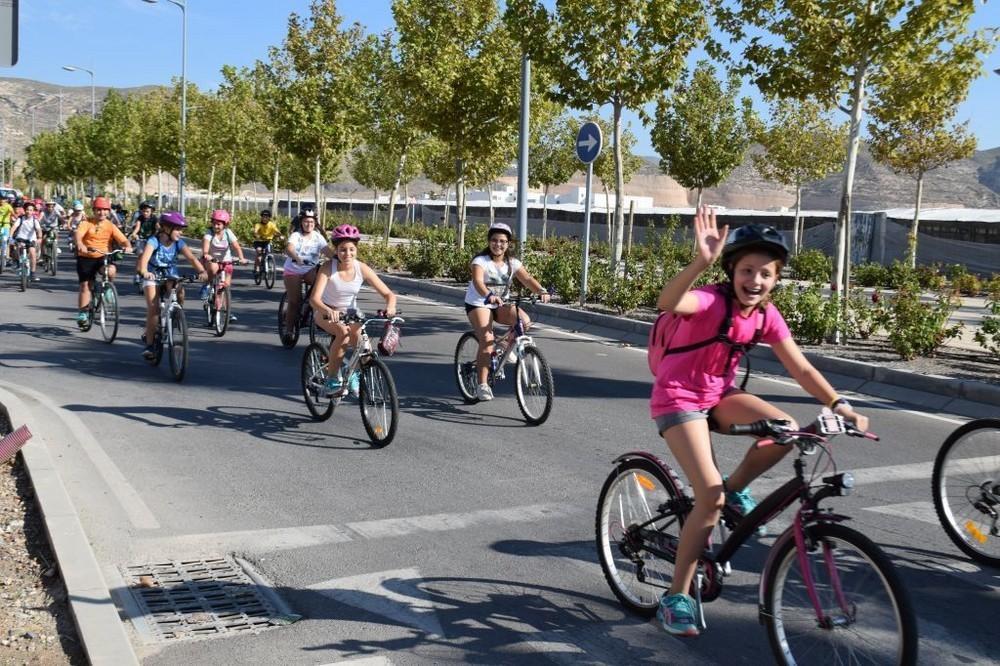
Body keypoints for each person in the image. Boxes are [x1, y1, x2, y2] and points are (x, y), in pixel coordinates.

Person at [650, 207, 870, 637]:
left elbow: (802, 369)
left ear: (776, 278)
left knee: (787, 428)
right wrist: (700, 262)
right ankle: (675, 597)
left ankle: (734, 491)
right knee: (707, 496)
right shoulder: (712, 301)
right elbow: (669, 302)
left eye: (766, 273)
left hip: (717, 394)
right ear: (732, 270)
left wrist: (839, 404)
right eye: (747, 270)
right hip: (678, 397)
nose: (756, 280)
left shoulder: (766, 314)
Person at [463, 222, 550, 401]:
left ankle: (502, 348)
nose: (498, 244)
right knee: (487, 340)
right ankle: (482, 385)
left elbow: (527, 278)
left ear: (508, 243)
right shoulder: (480, 261)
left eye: (503, 241)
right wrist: (489, 295)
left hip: (502, 303)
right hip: (479, 303)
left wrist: (541, 291)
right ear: (489, 241)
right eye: (494, 240)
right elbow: (478, 282)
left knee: (524, 322)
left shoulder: (512, 262)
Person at [310, 223, 397, 396]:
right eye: (342, 249)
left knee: (365, 350)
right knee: (342, 333)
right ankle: (332, 379)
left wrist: (390, 306)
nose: (347, 254)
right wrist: (328, 311)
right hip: (325, 311)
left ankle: (354, 374)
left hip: (350, 314)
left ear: (356, 249)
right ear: (336, 250)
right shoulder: (328, 267)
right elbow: (314, 299)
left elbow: (389, 294)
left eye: (351, 249)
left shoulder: (361, 268)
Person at [136, 211, 208, 359]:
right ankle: (149, 345)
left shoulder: (179, 243)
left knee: (179, 290)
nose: (180, 233)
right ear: (166, 228)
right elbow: (144, 259)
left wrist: (201, 270)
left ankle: (176, 314)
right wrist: (144, 271)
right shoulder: (154, 241)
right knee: (154, 308)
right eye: (177, 229)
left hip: (170, 274)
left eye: (181, 229)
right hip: (153, 274)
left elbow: (192, 259)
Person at [74, 197, 133, 327]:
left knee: (111, 270)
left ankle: (108, 288)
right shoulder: (86, 223)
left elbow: (123, 240)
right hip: (86, 257)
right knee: (86, 285)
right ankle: (83, 312)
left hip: (103, 256)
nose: (102, 213)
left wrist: (127, 246)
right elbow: (79, 235)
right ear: (94, 210)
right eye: (99, 210)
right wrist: (80, 244)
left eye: (105, 210)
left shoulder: (110, 226)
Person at [281, 210, 329, 344]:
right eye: (306, 222)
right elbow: (289, 249)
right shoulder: (296, 235)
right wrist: (297, 257)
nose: (309, 224)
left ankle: (311, 311)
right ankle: (289, 330)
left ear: (315, 223)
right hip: (293, 269)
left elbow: (327, 251)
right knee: (294, 301)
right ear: (301, 223)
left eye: (312, 222)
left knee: (320, 291)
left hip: (310, 269)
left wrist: (339, 260)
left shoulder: (318, 237)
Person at [199, 209, 247, 316]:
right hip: (211, 259)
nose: (216, 226)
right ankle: (207, 285)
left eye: (219, 224)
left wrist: (241, 258)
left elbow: (236, 247)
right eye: (214, 223)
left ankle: (225, 312)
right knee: (213, 267)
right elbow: (205, 245)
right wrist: (206, 254)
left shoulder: (228, 233)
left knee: (225, 289)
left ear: (225, 225)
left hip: (226, 261)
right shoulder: (209, 233)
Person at [9, 201, 43, 279]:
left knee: (33, 253)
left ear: (33, 211)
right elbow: (13, 227)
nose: (29, 212)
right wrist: (10, 237)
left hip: (31, 240)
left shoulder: (35, 220)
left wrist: (40, 238)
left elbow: (39, 230)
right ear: (24, 210)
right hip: (20, 238)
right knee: (16, 250)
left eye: (31, 210)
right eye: (27, 209)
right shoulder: (20, 219)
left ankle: (33, 273)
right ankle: (16, 263)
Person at [252, 209, 280, 274]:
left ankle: (268, 261)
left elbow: (276, 231)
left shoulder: (271, 224)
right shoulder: (258, 224)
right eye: (263, 217)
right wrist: (257, 235)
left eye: (267, 217)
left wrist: (280, 235)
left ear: (269, 218)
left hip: (268, 241)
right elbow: (255, 231)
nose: (265, 218)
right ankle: (257, 267)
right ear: (261, 217)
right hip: (259, 241)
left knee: (269, 252)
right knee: (259, 252)